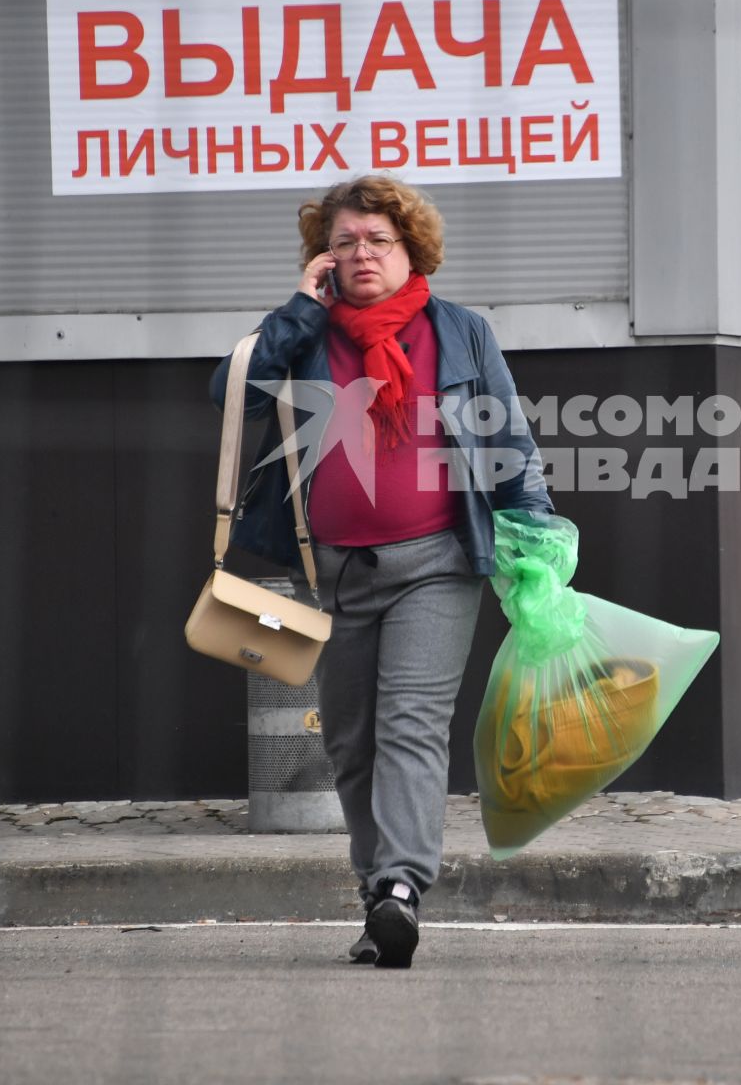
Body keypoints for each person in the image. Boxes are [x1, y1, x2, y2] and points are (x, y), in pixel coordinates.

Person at [211, 174, 551, 969]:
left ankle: (402, 886)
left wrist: (535, 538)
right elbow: (230, 396)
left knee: (410, 723)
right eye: (344, 243)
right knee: (352, 740)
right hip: (330, 570)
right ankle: (378, 897)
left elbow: (508, 439)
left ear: (410, 249)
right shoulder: (304, 335)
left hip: (436, 560)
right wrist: (299, 311)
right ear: (323, 259)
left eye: (378, 241)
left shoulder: (461, 332)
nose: (362, 254)